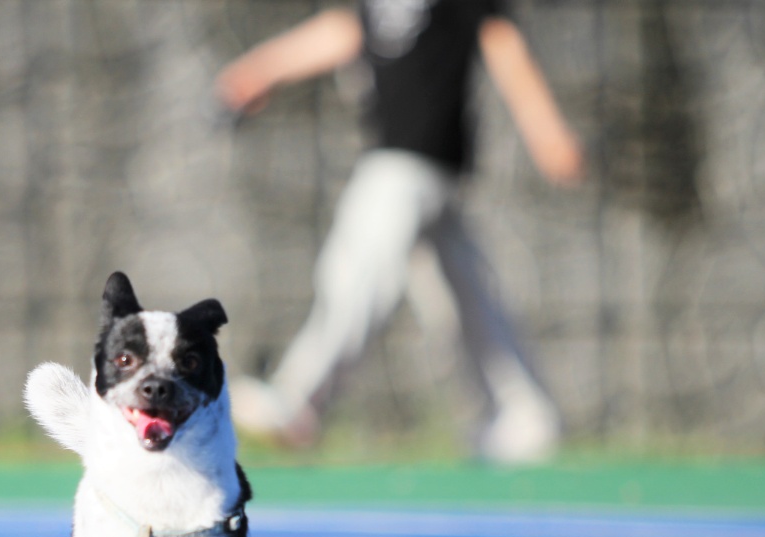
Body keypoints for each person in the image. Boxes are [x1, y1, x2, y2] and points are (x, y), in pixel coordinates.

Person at [216, 1, 585, 463]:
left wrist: (546, 130)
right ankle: (523, 416)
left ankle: (298, 399)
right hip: (420, 173)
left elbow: (506, 49)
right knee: (466, 298)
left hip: (410, 165)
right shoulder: (375, 6)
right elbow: (337, 34)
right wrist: (256, 73)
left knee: (357, 271)